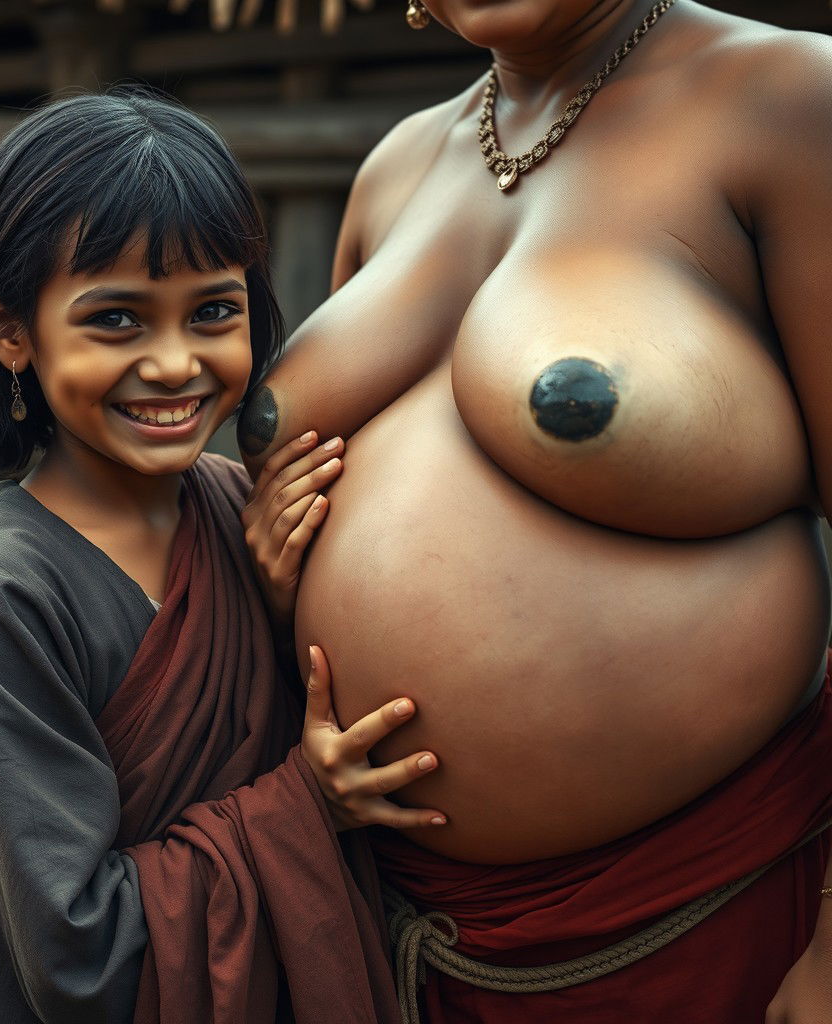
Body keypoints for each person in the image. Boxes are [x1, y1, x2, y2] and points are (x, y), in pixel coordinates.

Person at [238, 1, 832, 1021]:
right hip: (402, 937)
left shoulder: (788, 98)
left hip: (707, 919)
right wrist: (278, 576)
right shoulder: (395, 166)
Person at [0, 89, 452, 1024]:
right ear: (6, 329)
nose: (176, 363)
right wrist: (306, 808)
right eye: (118, 321)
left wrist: (272, 604)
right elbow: (73, 948)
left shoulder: (234, 510)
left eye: (213, 311)